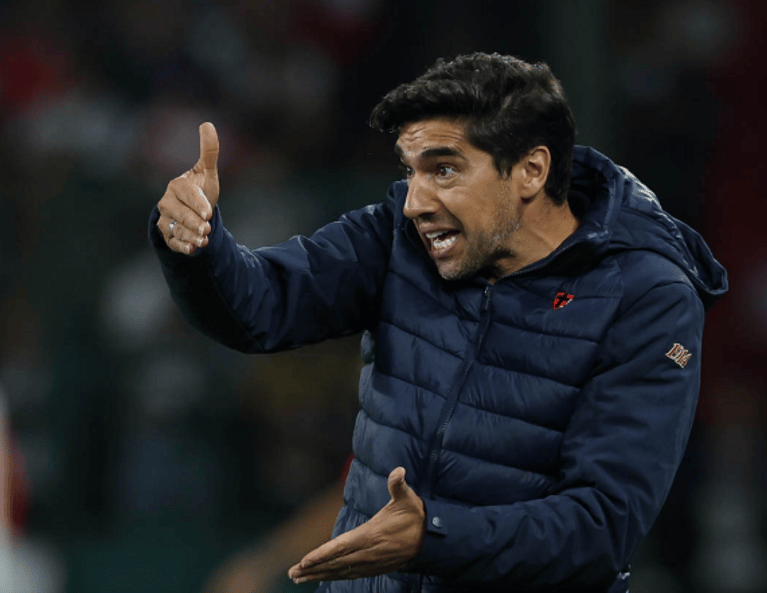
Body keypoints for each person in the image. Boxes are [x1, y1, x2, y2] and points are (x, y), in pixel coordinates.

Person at [149, 52, 727, 592]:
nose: (414, 201)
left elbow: (601, 526)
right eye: (412, 170)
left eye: (444, 170)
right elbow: (261, 306)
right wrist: (197, 246)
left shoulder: (649, 297)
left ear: (530, 170)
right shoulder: (401, 237)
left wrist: (432, 536)